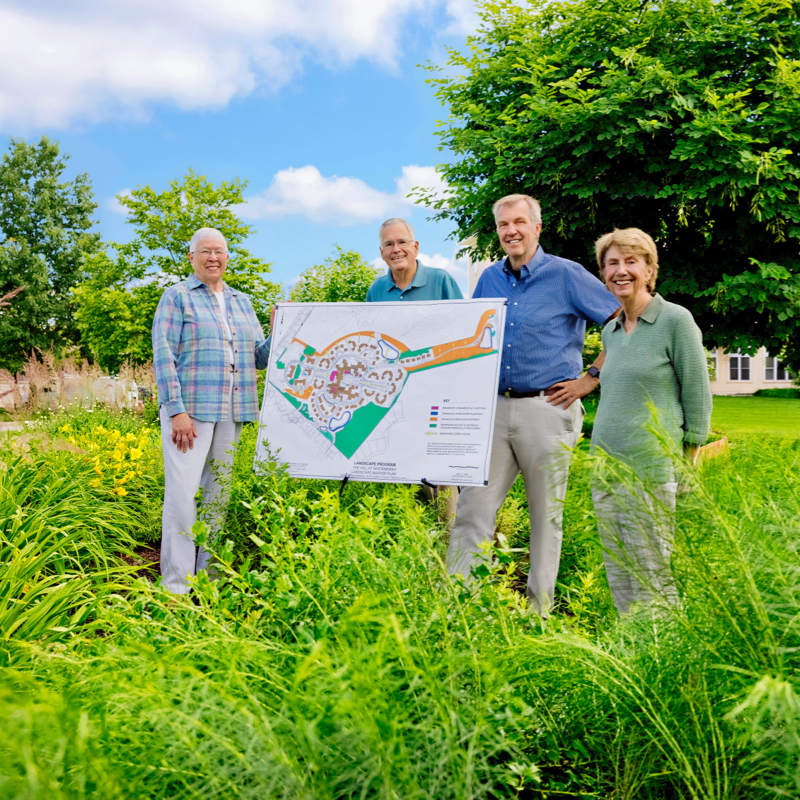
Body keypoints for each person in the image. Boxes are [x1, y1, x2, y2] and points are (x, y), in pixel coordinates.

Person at [446, 194, 620, 612]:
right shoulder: (489, 279)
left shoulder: (567, 275)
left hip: (548, 408)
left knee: (546, 517)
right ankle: (461, 608)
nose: (511, 231)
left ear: (537, 228)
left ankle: (538, 613)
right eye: (504, 225)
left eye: (519, 222)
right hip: (495, 410)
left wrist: (590, 378)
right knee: (473, 507)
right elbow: (474, 339)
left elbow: (622, 322)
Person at [590, 228, 712, 614]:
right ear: (603, 273)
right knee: (620, 573)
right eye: (612, 263)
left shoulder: (675, 320)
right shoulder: (610, 331)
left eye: (631, 262)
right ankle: (634, 648)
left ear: (649, 270)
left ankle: (667, 652)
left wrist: (686, 465)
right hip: (605, 468)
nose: (620, 271)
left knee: (652, 572)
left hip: (650, 470)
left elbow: (697, 394)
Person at [152, 227, 272, 594]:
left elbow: (257, 359)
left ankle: (209, 579)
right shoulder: (177, 297)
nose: (213, 257)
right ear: (191, 258)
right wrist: (176, 411)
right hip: (190, 414)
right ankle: (176, 585)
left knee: (219, 495)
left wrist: (281, 329)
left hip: (232, 410)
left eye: (219, 251)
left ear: (228, 257)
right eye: (205, 251)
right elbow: (164, 357)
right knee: (183, 494)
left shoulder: (242, 302)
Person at [366, 217, 464, 525]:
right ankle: (415, 559)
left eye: (402, 242)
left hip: (438, 402)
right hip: (396, 404)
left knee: (441, 487)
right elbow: (371, 344)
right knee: (403, 487)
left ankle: (449, 565)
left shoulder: (441, 281)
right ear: (381, 251)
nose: (396, 249)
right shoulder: (377, 290)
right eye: (389, 244)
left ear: (415, 246)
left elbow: (463, 334)